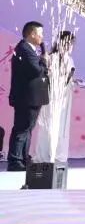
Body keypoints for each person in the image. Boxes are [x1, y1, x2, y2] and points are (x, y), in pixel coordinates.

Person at [7, 21, 49, 171]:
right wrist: (44, 61)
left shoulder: (29, 49)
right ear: (32, 34)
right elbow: (35, 70)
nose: (42, 37)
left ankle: (23, 158)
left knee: (27, 129)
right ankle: (15, 161)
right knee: (21, 129)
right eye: (40, 34)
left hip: (31, 97)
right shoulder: (24, 49)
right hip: (26, 97)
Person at [32, 31, 76, 164]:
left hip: (64, 97)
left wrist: (72, 80)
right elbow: (47, 76)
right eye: (68, 42)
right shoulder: (52, 57)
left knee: (61, 125)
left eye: (71, 43)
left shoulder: (68, 58)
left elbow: (68, 77)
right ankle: (46, 155)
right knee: (49, 124)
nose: (69, 45)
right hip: (53, 96)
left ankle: (57, 154)